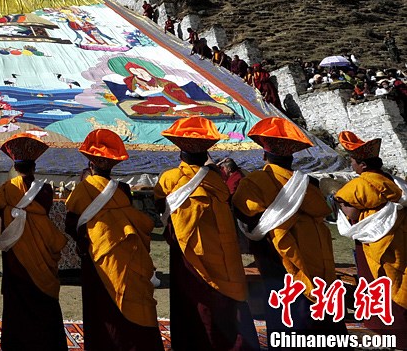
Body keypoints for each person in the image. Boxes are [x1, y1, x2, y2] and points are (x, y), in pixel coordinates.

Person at [231, 117, 347, 338]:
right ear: (292, 156)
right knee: (319, 296)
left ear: (264, 154)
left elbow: (248, 219)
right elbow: (322, 210)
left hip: (276, 253)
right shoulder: (308, 183)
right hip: (316, 249)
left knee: (287, 301)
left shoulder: (254, 182)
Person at [154, 118, 259, 351]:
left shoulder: (170, 179)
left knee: (194, 300)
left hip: (188, 253)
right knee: (223, 300)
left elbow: (160, 208)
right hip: (222, 249)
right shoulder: (216, 180)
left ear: (181, 152)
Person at [64, 129, 163, 351]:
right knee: (133, 299)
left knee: (103, 308)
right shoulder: (123, 190)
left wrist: (83, 244)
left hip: (98, 257)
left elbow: (71, 224)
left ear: (90, 164)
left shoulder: (82, 190)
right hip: (129, 255)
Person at [0, 133, 67, 351]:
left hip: (16, 255)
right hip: (41, 251)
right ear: (33, 168)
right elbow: (47, 208)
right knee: (43, 298)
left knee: (19, 299)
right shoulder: (45, 190)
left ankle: (17, 343)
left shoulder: (6, 189)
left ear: (15, 167)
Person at [333, 131, 407, 342]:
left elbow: (353, 214)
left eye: (353, 161)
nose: (352, 165)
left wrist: (337, 203)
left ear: (363, 165)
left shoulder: (360, 184)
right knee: (400, 277)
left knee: (379, 281)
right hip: (398, 238)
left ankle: (386, 329)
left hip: (373, 242)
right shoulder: (395, 182)